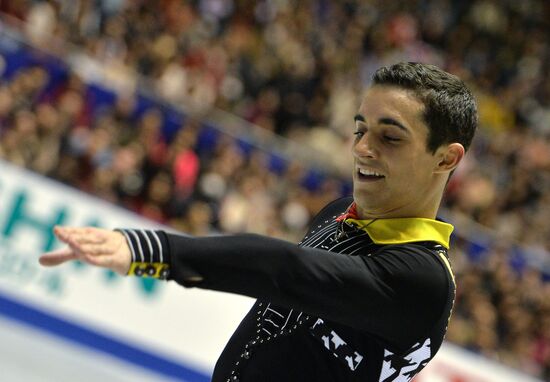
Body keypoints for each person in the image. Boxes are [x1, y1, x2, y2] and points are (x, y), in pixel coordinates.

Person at [40, 62, 478, 381]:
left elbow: (285, 271)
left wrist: (154, 251)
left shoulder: (422, 280)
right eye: (360, 129)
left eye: (390, 137)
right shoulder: (340, 213)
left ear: (446, 158)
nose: (363, 148)